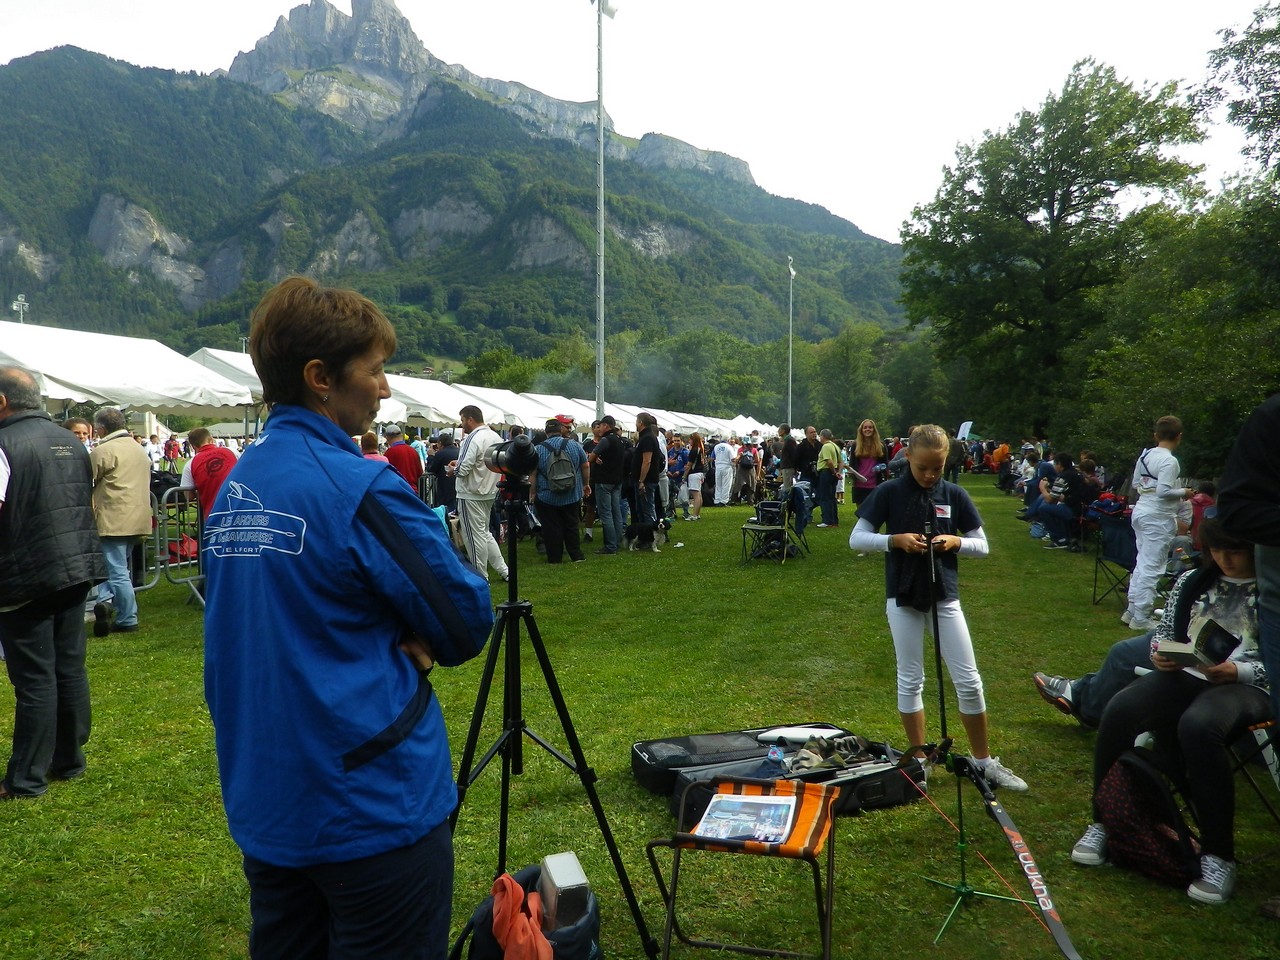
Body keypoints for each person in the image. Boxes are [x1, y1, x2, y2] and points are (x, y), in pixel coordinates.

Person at [201, 276, 494, 959]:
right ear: (320, 378)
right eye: (376, 369)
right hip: (368, 803)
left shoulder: (239, 486)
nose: (386, 388)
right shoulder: (359, 486)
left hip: (269, 797)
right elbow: (463, 618)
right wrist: (409, 635)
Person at [1070, 518, 1266, 905]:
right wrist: (1162, 654)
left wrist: (1239, 670)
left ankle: (1218, 855)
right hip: (1189, 672)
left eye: (1235, 550)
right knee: (1122, 708)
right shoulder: (1194, 579)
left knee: (1200, 726)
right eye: (1216, 550)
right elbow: (1165, 632)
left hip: (1249, 686)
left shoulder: (1272, 588)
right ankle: (1104, 821)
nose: (1224, 559)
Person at [849, 423, 1027, 791]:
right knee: (911, 678)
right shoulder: (889, 492)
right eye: (923, 468)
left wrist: (954, 542)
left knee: (969, 680)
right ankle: (918, 761)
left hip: (944, 597)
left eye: (937, 468)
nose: (930, 475)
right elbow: (857, 539)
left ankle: (983, 761)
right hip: (903, 597)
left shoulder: (955, 495)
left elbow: (983, 545)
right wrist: (893, 540)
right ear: (908, 458)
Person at [0, 366, 105, 800]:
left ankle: (27, 778)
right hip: (75, 566)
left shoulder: (4, 443)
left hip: (26, 573)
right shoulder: (70, 440)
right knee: (67, 666)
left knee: (36, 679)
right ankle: (69, 759)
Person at [1125, 416, 1191, 630]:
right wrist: (1185, 492)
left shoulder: (1145, 456)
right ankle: (1141, 616)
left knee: (1142, 560)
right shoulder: (1170, 461)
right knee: (1152, 565)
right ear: (1179, 436)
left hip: (1142, 510)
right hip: (1158, 516)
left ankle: (1132, 609)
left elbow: (1137, 483)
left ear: (1156, 435)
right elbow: (1164, 492)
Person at [89, 407, 151, 636]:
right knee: (117, 568)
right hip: (137, 517)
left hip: (112, 517)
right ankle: (106, 602)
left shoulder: (103, 450)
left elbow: (86, 480)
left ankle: (127, 617)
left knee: (116, 571)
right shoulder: (138, 448)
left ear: (101, 429)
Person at [453, 405, 509, 583]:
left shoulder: (473, 438)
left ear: (470, 419)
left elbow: (463, 469)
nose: (462, 426)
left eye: (463, 421)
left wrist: (452, 469)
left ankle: (480, 577)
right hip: (489, 491)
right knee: (484, 533)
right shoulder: (495, 436)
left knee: (473, 537)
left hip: (471, 493)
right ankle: (504, 570)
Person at [532, 418, 589, 564]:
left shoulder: (538, 449)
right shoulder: (575, 445)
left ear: (546, 432)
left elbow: (533, 474)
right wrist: (585, 484)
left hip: (547, 495)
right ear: (561, 429)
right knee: (572, 525)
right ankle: (576, 555)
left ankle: (555, 557)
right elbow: (585, 466)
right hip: (572, 493)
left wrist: (532, 492)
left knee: (551, 528)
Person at [178, 427, 239, 521]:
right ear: (211, 439)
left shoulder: (190, 464)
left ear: (192, 446)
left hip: (213, 514)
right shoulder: (232, 452)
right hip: (239, 507)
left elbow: (188, 495)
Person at [588, 415, 624, 553]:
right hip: (617, 480)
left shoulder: (605, 440)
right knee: (616, 512)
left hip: (604, 480)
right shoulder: (619, 440)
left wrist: (595, 457)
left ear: (606, 426)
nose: (599, 428)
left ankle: (610, 545)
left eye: (601, 425)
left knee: (606, 513)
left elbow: (591, 457)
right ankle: (618, 541)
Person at [1037, 453, 1087, 549]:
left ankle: (1059, 539)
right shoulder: (1076, 473)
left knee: (1043, 508)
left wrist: (1042, 488)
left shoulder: (1063, 477)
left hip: (1073, 510)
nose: (1054, 466)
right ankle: (1063, 535)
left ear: (1060, 464)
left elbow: (1050, 500)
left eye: (1055, 464)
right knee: (1048, 505)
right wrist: (1049, 490)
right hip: (1082, 508)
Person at [632, 412, 663, 524]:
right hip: (646, 479)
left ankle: (650, 536)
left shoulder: (647, 438)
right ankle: (643, 536)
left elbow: (647, 461)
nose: (635, 424)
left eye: (636, 421)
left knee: (647, 511)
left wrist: (641, 481)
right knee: (641, 511)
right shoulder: (646, 437)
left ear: (640, 423)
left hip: (647, 480)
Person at [849, 419, 886, 508]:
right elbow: (852, 463)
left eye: (870, 427)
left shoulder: (881, 445)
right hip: (859, 483)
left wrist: (881, 468)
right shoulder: (855, 444)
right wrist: (851, 472)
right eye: (865, 427)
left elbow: (885, 463)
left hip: (875, 484)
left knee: (875, 511)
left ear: (874, 430)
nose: (867, 429)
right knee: (861, 512)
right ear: (861, 430)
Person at [383, 423, 423, 492]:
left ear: (387, 437)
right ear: (401, 435)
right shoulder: (413, 451)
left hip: (397, 491)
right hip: (413, 491)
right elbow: (420, 472)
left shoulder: (389, 453)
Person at [426, 431, 459, 514]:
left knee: (445, 511)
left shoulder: (440, 454)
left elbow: (431, 469)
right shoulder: (459, 451)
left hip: (444, 488)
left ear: (440, 443)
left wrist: (430, 456)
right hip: (458, 486)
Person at [815, 429, 841, 527]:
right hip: (833, 472)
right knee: (832, 497)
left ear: (822, 436)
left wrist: (834, 472)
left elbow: (828, 461)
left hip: (826, 472)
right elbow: (841, 462)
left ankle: (827, 520)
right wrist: (838, 472)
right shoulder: (835, 446)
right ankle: (834, 520)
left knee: (825, 497)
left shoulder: (826, 446)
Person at [682, 432, 707, 521]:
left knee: (695, 495)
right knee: (698, 495)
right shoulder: (700, 449)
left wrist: (684, 476)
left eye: (690, 439)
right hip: (700, 473)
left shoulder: (694, 450)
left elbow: (689, 465)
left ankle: (695, 514)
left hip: (694, 473)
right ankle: (697, 513)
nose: (689, 441)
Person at [777, 424, 798, 496]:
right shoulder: (787, 440)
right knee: (787, 486)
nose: (778, 431)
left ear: (783, 430)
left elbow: (793, 454)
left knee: (788, 487)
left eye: (779, 429)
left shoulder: (789, 440)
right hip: (787, 466)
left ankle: (788, 504)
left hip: (788, 466)